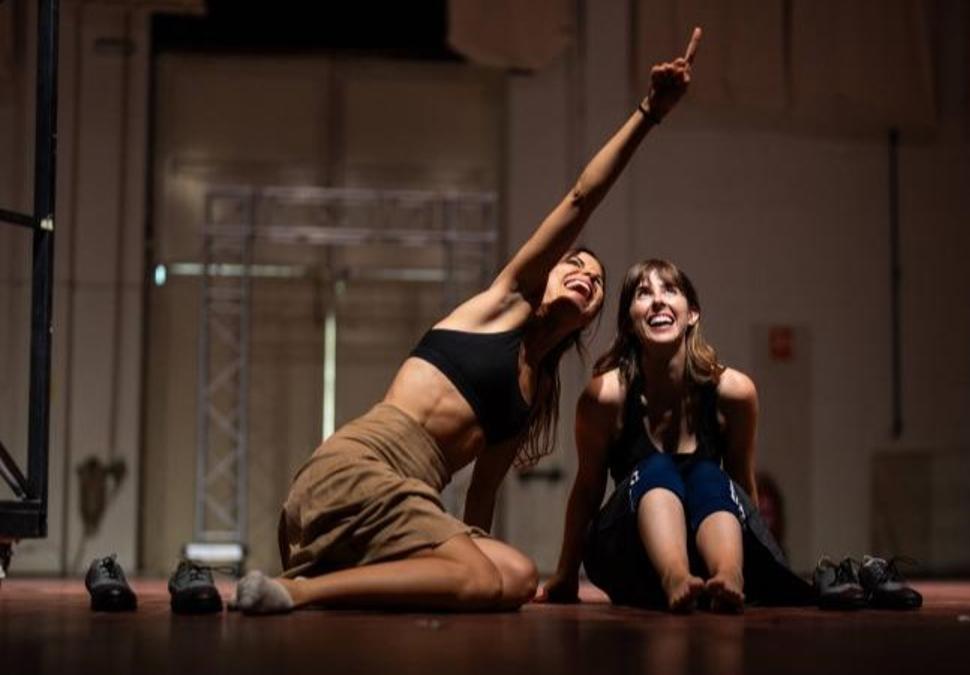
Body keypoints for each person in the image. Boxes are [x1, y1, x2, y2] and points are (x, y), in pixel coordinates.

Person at [232, 29, 704, 615]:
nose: (583, 273)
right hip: (357, 471)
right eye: (572, 263)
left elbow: (479, 500)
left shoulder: (529, 393)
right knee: (481, 580)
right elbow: (583, 197)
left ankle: (356, 582)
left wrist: (485, 557)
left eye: (597, 282)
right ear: (546, 276)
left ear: (590, 317)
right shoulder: (502, 303)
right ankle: (296, 591)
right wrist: (647, 114)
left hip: (410, 504)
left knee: (513, 575)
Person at [539, 259, 813, 613]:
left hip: (706, 551)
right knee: (657, 468)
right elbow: (588, 490)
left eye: (669, 290)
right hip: (631, 560)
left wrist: (761, 564)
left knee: (707, 474)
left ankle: (729, 577)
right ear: (630, 321)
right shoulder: (605, 397)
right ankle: (675, 577)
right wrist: (565, 574)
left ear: (692, 314)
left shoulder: (734, 392)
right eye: (643, 293)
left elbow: (741, 485)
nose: (657, 301)